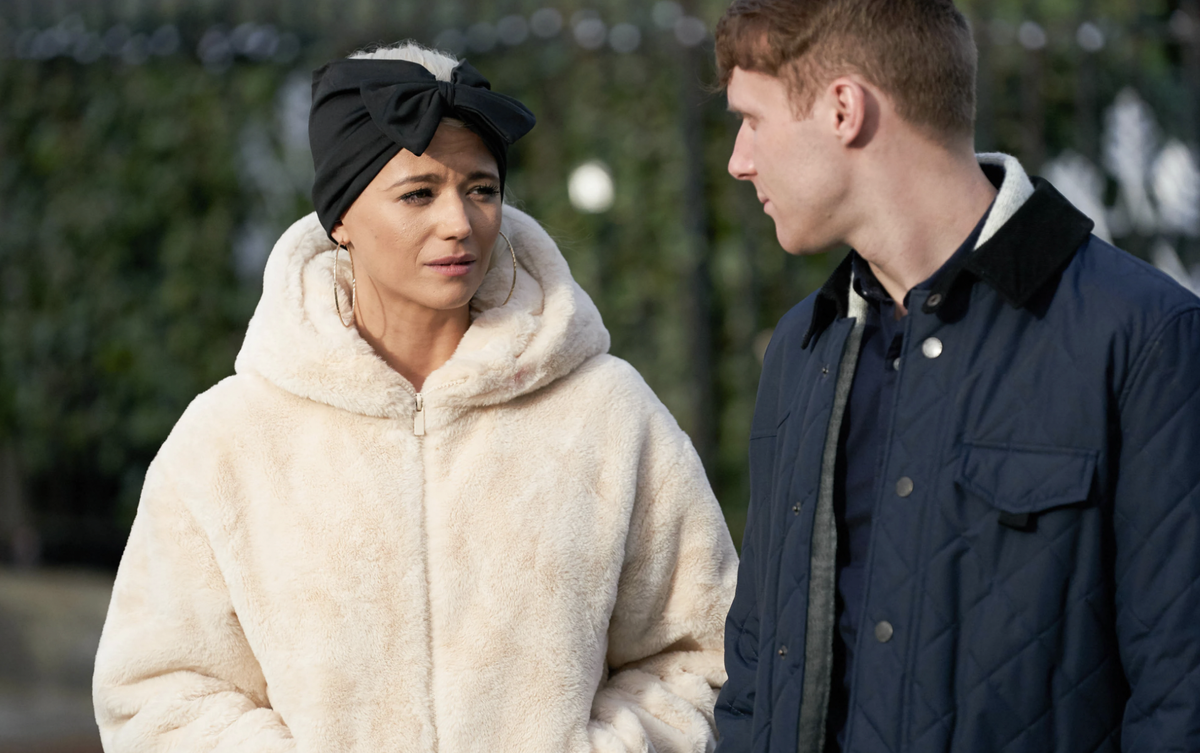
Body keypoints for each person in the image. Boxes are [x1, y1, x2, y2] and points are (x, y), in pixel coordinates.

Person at [92, 42, 738, 753]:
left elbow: (700, 651)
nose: (459, 223)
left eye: (482, 188)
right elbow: (158, 688)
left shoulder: (609, 415)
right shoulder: (228, 439)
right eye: (418, 192)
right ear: (340, 216)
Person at [710, 1, 1200, 752]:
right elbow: (753, 674)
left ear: (844, 108)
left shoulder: (1142, 336)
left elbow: (1182, 699)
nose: (740, 160)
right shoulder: (801, 350)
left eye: (753, 118)